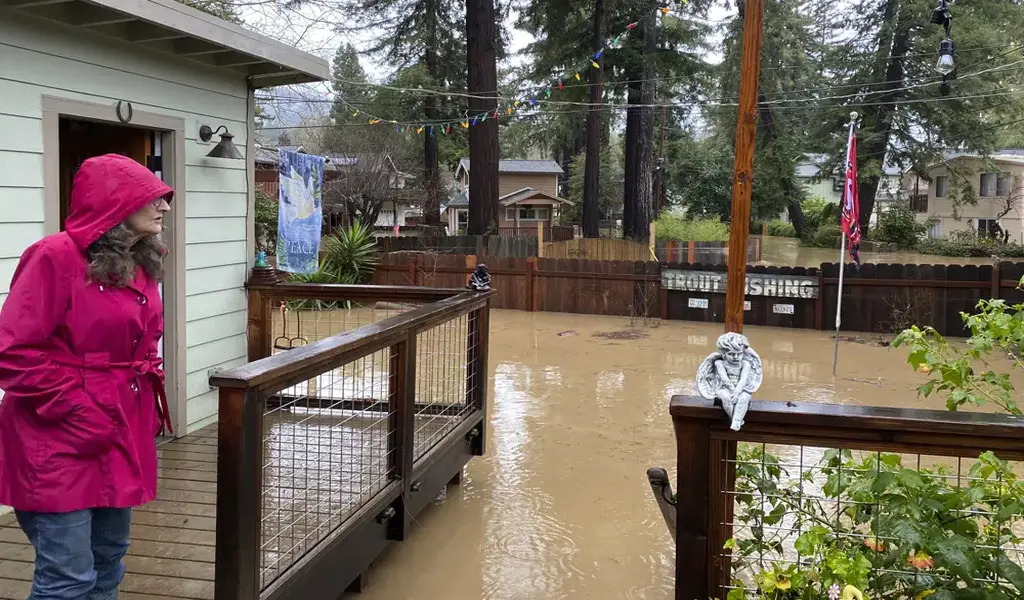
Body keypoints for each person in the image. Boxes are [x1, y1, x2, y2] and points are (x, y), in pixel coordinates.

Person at [0, 153, 173, 600]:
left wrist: (147, 396)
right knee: (67, 578)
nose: (165, 206)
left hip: (120, 430)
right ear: (115, 202)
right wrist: (76, 409)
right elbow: (12, 351)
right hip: (56, 436)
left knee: (108, 562)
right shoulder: (53, 257)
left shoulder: (142, 261)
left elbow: (145, 341)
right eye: (153, 196)